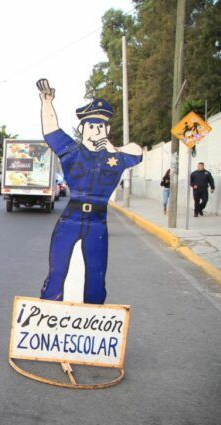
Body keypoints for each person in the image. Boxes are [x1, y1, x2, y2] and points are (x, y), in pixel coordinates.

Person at [36, 78, 143, 305]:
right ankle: (47, 320)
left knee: (96, 276)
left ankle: (93, 325)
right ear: (82, 128)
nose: (96, 131)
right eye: (91, 126)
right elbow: (51, 131)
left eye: (101, 127)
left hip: (97, 220)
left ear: (108, 129)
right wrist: (47, 103)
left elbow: (137, 152)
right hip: (71, 218)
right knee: (57, 271)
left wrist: (112, 149)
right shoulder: (72, 151)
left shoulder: (115, 157)